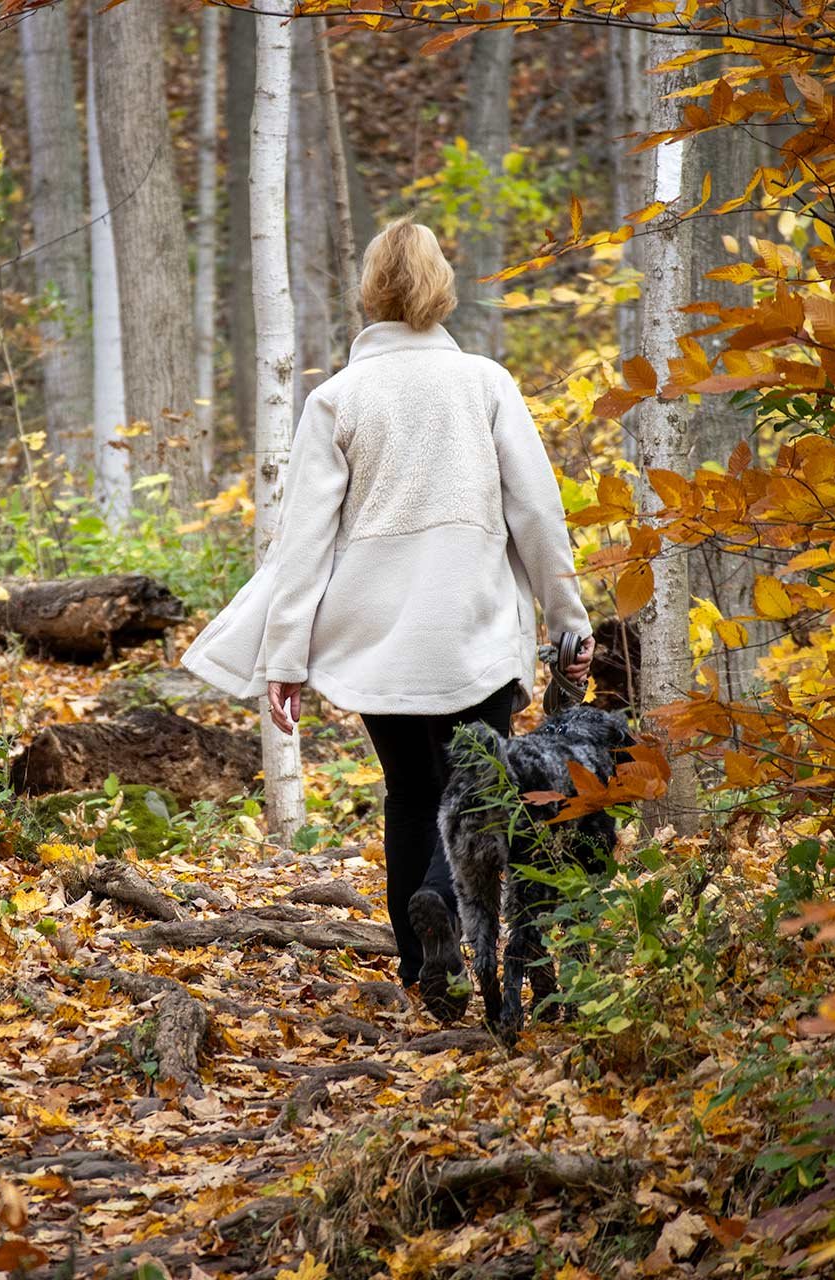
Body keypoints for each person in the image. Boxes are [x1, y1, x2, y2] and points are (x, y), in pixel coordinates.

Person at [180, 219, 594, 1022]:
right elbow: (537, 513)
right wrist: (567, 620)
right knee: (479, 795)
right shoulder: (485, 383)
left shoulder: (338, 397)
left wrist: (285, 657)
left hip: (379, 636)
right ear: (441, 287)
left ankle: (418, 963)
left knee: (410, 793)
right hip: (473, 627)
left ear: (371, 291)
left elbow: (301, 544)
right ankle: (443, 905)